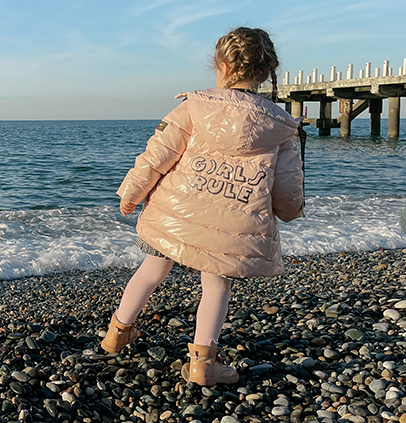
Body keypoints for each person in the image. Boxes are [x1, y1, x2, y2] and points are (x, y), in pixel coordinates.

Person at [102, 27, 304, 386]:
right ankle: (202, 364)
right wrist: (289, 212)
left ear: (222, 66)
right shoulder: (279, 126)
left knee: (152, 270)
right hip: (233, 225)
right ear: (266, 72)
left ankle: (117, 333)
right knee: (216, 286)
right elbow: (288, 185)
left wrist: (132, 192)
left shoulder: (194, 107)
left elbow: (158, 155)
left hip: (177, 217)